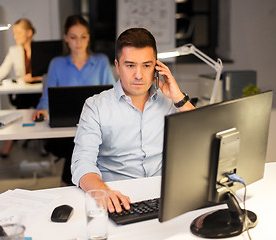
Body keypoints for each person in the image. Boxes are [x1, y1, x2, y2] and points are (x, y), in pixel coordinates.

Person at [71, 28, 195, 213]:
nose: (138, 75)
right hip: (117, 197)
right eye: (130, 65)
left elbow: (203, 138)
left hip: (162, 197)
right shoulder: (95, 106)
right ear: (117, 66)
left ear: (157, 67)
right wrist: (102, 191)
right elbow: (82, 163)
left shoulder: (170, 102)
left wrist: (179, 98)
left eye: (146, 65)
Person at [33, 15, 115, 186]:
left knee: (86, 143)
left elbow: (112, 94)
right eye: (73, 37)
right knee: (76, 144)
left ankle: (74, 183)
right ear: (66, 39)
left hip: (96, 124)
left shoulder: (100, 62)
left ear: (88, 38)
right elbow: (48, 96)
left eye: (83, 36)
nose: (78, 42)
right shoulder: (57, 63)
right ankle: (80, 183)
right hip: (66, 128)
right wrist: (41, 109)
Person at [0, 18, 42, 158]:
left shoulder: (42, 48)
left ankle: (44, 143)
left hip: (39, 90)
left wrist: (38, 78)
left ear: (29, 33)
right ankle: (11, 140)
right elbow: (3, 70)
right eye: (14, 33)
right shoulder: (14, 50)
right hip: (22, 92)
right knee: (22, 107)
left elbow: (50, 71)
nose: (15, 36)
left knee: (41, 108)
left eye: (18, 32)